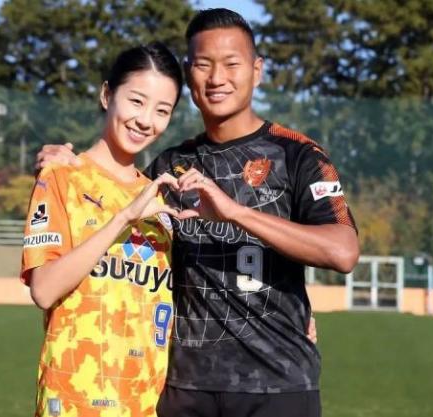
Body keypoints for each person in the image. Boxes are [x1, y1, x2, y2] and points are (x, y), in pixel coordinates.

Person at [36, 8, 358, 417]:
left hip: (278, 384)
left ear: (257, 70)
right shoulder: (168, 166)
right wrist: (59, 162)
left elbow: (342, 251)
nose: (217, 77)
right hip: (182, 391)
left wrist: (236, 213)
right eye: (204, 64)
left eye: (231, 64)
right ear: (189, 74)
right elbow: (105, 198)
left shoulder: (297, 154)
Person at [20, 42, 184, 417]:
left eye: (162, 111)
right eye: (137, 101)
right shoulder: (61, 177)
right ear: (107, 94)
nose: (146, 120)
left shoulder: (160, 197)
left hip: (145, 404)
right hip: (73, 401)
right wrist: (123, 218)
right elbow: (44, 290)